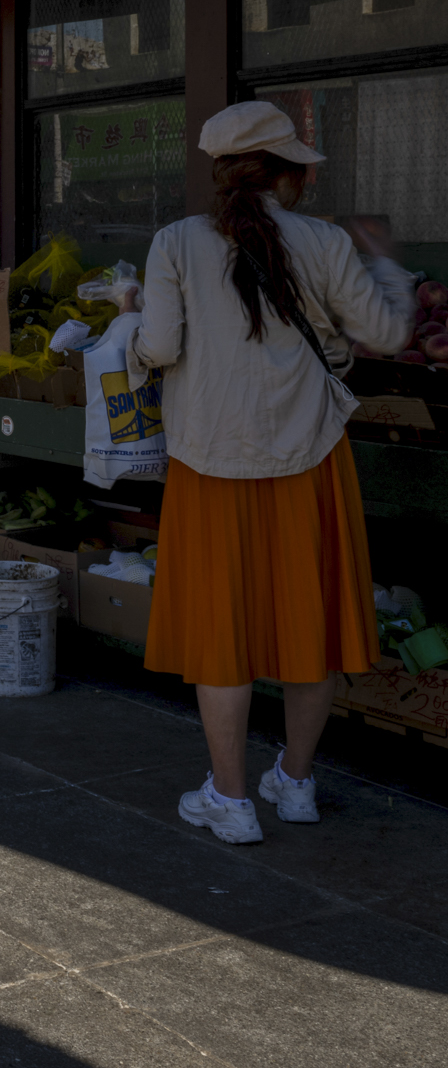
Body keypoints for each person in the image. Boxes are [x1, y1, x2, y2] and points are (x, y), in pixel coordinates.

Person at [130, 101, 414, 845]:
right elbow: (384, 332)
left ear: (223, 172)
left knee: (223, 632)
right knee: (307, 626)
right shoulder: (323, 241)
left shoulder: (176, 243)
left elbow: (158, 347)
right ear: (284, 173)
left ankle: (230, 798)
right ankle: (293, 780)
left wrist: (132, 319)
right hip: (312, 457)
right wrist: (384, 263)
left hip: (210, 461)